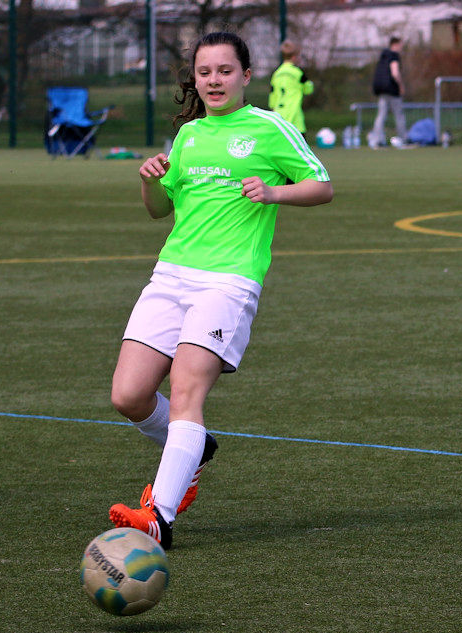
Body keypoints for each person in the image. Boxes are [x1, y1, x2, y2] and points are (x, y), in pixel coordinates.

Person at [108, 31, 333, 547]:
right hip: (171, 275)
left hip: (229, 281)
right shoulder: (187, 137)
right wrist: (148, 180)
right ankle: (194, 449)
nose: (213, 80)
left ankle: (159, 519)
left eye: (225, 71)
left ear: (246, 75)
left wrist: (274, 191)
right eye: (204, 72)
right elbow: (159, 210)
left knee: (187, 392)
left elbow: (322, 186)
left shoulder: (269, 128)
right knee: (129, 395)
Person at [269, 40, 313, 135]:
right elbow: (309, 90)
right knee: (300, 149)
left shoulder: (276, 74)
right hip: (295, 118)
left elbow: (272, 97)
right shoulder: (298, 73)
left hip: (279, 117)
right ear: (294, 57)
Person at [371, 36, 407, 149]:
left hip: (382, 90)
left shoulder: (383, 56)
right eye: (401, 45)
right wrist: (401, 85)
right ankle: (403, 139)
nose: (402, 47)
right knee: (399, 115)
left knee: (381, 115)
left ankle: (377, 141)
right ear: (395, 44)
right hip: (392, 90)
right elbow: (395, 73)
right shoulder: (394, 55)